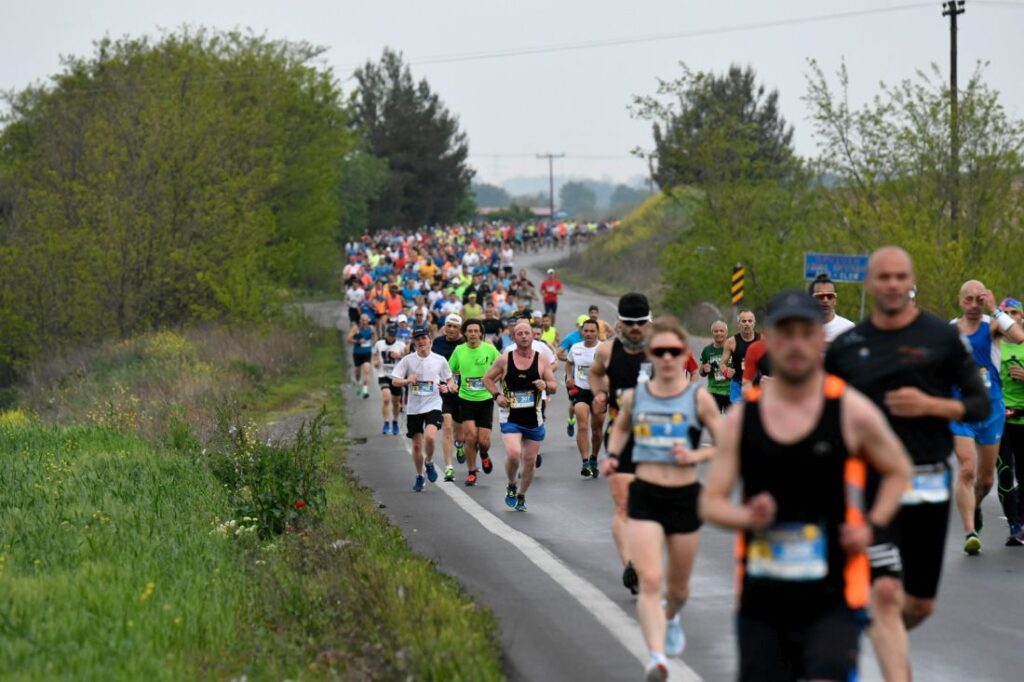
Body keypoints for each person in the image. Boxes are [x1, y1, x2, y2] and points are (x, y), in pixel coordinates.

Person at [702, 289, 912, 682]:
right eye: (785, 334)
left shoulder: (849, 409)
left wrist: (872, 524)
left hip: (832, 594)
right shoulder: (741, 420)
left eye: (806, 333)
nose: (796, 344)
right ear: (769, 340)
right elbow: (711, 503)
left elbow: (899, 469)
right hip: (762, 596)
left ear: (820, 340)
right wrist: (744, 515)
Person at [825, 247, 990, 682]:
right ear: (869, 284)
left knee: (918, 604)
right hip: (871, 486)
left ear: (911, 281)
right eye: (884, 277)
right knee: (882, 590)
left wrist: (933, 405)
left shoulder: (940, 338)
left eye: (901, 277)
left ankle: (875, 634)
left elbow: (978, 402)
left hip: (928, 483)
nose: (893, 284)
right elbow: (820, 415)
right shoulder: (848, 347)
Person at [599, 316, 721, 680]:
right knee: (650, 580)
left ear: (684, 354)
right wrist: (613, 456)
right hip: (647, 495)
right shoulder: (637, 397)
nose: (667, 357)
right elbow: (619, 428)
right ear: (651, 355)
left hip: (684, 496)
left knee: (678, 589)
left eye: (674, 351)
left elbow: (725, 442)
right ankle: (656, 658)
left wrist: (696, 456)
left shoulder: (698, 399)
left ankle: (672, 617)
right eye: (660, 351)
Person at [948, 279, 1024, 553]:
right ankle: (970, 531)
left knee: (986, 479)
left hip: (991, 408)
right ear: (960, 300)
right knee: (966, 469)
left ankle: (975, 507)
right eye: (968, 299)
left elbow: (1018, 336)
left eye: (978, 299)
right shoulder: (949, 331)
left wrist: (996, 309)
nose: (973, 305)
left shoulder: (991, 327)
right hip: (960, 408)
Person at [589, 292, 653, 595]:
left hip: (657, 437)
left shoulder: (661, 350)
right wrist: (600, 393)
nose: (636, 327)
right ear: (620, 323)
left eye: (642, 322)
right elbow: (595, 375)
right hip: (621, 435)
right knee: (625, 504)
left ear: (649, 321)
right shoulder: (606, 351)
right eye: (630, 323)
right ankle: (631, 565)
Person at [484, 320, 558, 512]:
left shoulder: (541, 359)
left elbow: (554, 386)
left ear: (533, 336)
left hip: (534, 417)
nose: (524, 336)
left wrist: (545, 385)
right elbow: (487, 379)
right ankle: (511, 484)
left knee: (530, 461)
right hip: (510, 416)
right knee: (514, 453)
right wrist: (497, 395)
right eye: (520, 334)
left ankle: (522, 495)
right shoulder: (505, 359)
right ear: (513, 337)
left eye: (527, 333)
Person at [390, 327, 455, 492]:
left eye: (424, 338)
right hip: (414, 408)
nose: (421, 342)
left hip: (433, 404)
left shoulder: (439, 360)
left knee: (431, 437)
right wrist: (407, 381)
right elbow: (394, 381)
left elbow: (450, 379)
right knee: (417, 446)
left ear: (430, 340)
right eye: (418, 339)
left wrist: (448, 387)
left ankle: (429, 462)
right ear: (414, 342)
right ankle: (420, 475)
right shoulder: (407, 360)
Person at [447, 319, 500, 487]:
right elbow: (449, 370)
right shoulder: (459, 350)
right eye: (469, 331)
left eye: (476, 331)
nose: (472, 334)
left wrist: (492, 382)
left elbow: (502, 367)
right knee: (470, 437)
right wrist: (452, 382)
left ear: (481, 333)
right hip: (466, 398)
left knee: (483, 441)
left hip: (485, 400)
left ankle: (484, 454)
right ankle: (471, 472)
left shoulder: (490, 350)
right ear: (465, 333)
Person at [997, 297, 1024, 545]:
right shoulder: (994, 345)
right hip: (1001, 419)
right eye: (1005, 312)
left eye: (1014, 312)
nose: (1010, 316)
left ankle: (1021, 520)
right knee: (1005, 472)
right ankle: (1014, 525)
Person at [566, 319, 604, 477]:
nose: (588, 334)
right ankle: (585, 462)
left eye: (592, 331)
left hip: (599, 392)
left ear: (597, 332)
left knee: (597, 430)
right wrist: (569, 377)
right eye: (586, 331)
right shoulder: (575, 348)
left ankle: (594, 457)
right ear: (582, 332)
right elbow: (569, 363)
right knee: (582, 426)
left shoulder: (603, 348)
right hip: (581, 391)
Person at [432, 314, 465, 482]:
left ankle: (460, 445)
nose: (451, 329)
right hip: (443, 390)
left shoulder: (465, 344)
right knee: (447, 426)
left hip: (462, 391)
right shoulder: (437, 342)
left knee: (459, 433)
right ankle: (449, 468)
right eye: (449, 326)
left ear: (460, 329)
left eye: (455, 326)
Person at [719, 309, 760, 404]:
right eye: (744, 321)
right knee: (738, 416)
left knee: (754, 416)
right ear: (739, 323)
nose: (747, 324)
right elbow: (722, 363)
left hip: (756, 385)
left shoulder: (762, 340)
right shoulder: (730, 342)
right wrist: (726, 372)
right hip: (738, 385)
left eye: (750, 321)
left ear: (754, 323)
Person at [372, 325, 407, 435]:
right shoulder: (379, 344)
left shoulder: (401, 345)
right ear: (386, 333)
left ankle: (395, 421)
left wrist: (400, 355)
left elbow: (407, 358)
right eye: (390, 334)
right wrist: (376, 361)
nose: (391, 337)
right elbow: (374, 354)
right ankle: (386, 422)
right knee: (386, 398)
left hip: (396, 377)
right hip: (383, 375)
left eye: (393, 335)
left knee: (396, 403)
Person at [809, 273, 856, 344]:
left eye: (830, 296)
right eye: (820, 296)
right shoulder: (802, 329)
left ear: (835, 300)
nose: (825, 300)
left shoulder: (848, 329)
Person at [699, 321, 732, 413]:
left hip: (731, 391)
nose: (719, 333)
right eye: (716, 331)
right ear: (712, 333)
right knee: (714, 422)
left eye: (721, 331)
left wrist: (734, 372)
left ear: (726, 333)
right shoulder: (707, 350)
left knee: (731, 423)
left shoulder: (733, 348)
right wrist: (704, 370)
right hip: (714, 391)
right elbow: (701, 372)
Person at [347, 313, 375, 399]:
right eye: (362, 320)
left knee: (366, 371)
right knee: (358, 373)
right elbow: (348, 339)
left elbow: (374, 337)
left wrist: (374, 346)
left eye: (366, 320)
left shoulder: (371, 328)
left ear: (368, 321)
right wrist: (358, 341)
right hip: (357, 353)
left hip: (367, 352)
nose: (364, 322)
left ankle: (365, 391)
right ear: (360, 321)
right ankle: (357, 383)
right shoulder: (356, 328)